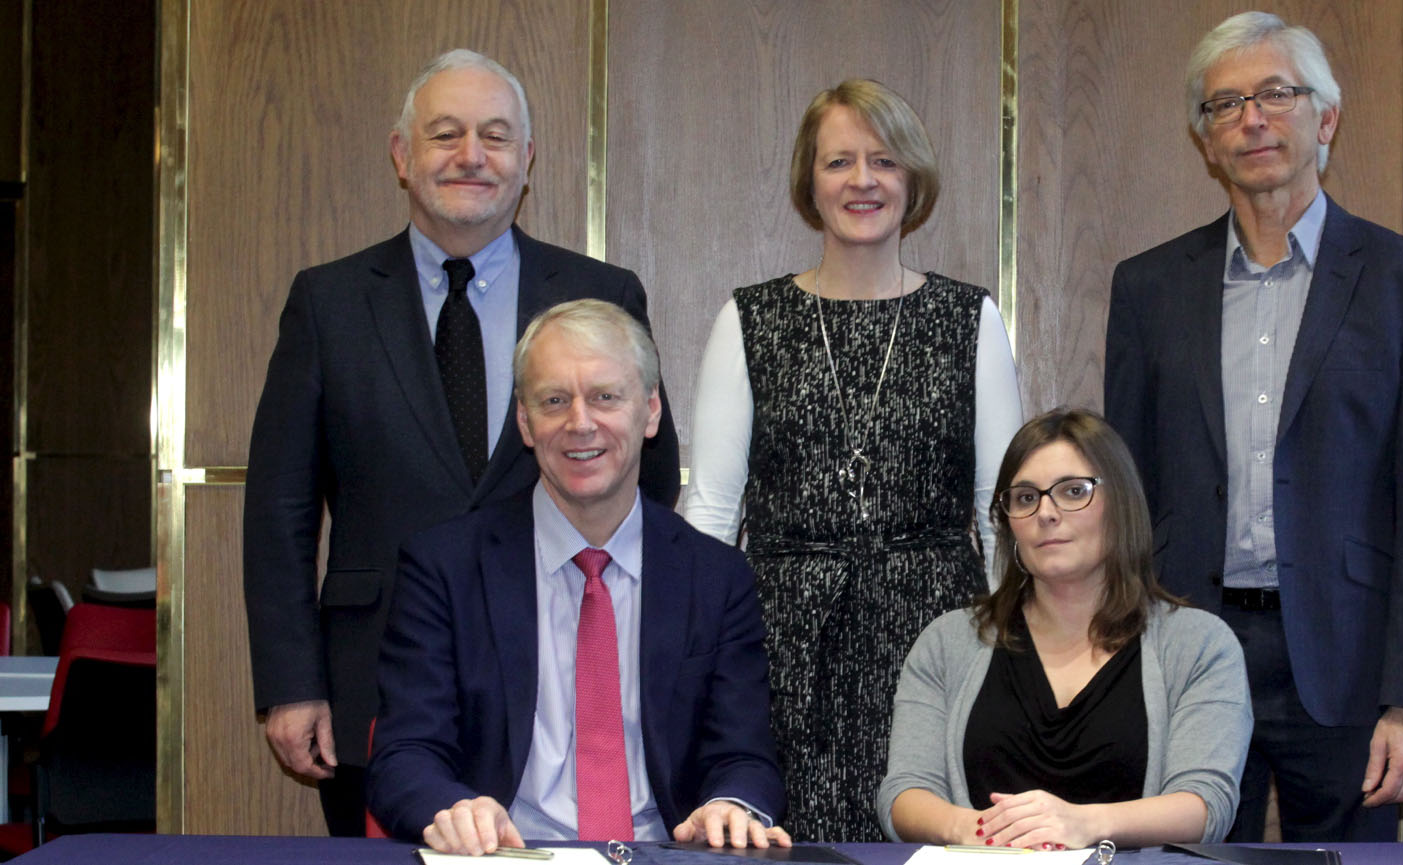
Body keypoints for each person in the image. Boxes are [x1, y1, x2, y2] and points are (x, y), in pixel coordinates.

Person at [243, 49, 680, 836]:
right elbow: (281, 507)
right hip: (375, 685)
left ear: (527, 158)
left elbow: (650, 477)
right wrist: (290, 682)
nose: (471, 155)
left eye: (495, 136)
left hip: (563, 683)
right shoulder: (328, 302)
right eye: (445, 134)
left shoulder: (601, 292)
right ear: (401, 155)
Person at [1104, 11, 1403, 842]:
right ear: (1204, 140)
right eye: (1225, 104)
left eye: (1275, 94)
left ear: (1325, 118)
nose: (1251, 119)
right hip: (1188, 647)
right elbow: (1126, 498)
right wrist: (1119, 665)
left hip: (1348, 660)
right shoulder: (1149, 288)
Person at [680, 78, 1023, 841]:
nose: (861, 180)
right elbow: (712, 508)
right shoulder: (750, 318)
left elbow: (1001, 507)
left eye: (883, 160)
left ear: (912, 178)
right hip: (784, 642)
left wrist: (1016, 653)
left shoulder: (969, 317)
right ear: (809, 181)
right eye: (838, 161)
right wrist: (690, 654)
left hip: (939, 635)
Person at [367, 300, 787, 854]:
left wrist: (730, 804)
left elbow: (745, 756)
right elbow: (404, 754)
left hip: (662, 855)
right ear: (525, 422)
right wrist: (455, 809)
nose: (580, 423)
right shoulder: (444, 568)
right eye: (554, 400)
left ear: (651, 411)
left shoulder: (716, 577)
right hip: (508, 855)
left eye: (605, 397)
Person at [878, 409, 1250, 848]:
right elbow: (904, 795)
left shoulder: (1199, 645)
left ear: (1122, 504)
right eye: (1025, 498)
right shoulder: (947, 642)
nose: (1046, 513)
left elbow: (1205, 805)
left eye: (1074, 491)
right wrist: (977, 832)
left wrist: (1082, 824)